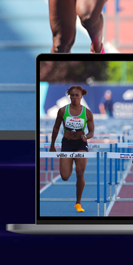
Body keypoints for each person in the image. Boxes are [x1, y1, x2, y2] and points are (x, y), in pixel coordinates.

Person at [50, 85, 95, 213]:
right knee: (65, 176)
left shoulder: (87, 113)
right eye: (72, 95)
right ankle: (77, 201)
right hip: (67, 144)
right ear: (69, 96)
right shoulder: (63, 111)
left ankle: (78, 203)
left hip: (81, 144)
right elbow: (56, 127)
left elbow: (92, 131)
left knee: (80, 173)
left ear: (81, 96)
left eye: (77, 95)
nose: (74, 97)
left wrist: (86, 136)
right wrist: (52, 145)